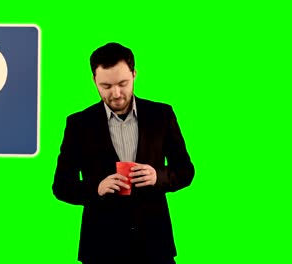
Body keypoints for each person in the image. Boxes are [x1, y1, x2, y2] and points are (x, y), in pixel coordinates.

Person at [52, 42, 194, 264]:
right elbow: (61, 186)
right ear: (94, 81)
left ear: (134, 74)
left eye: (123, 83)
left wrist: (158, 176)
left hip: (155, 244)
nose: (116, 93)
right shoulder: (79, 124)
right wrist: (96, 188)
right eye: (106, 86)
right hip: (100, 247)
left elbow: (186, 171)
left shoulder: (162, 115)